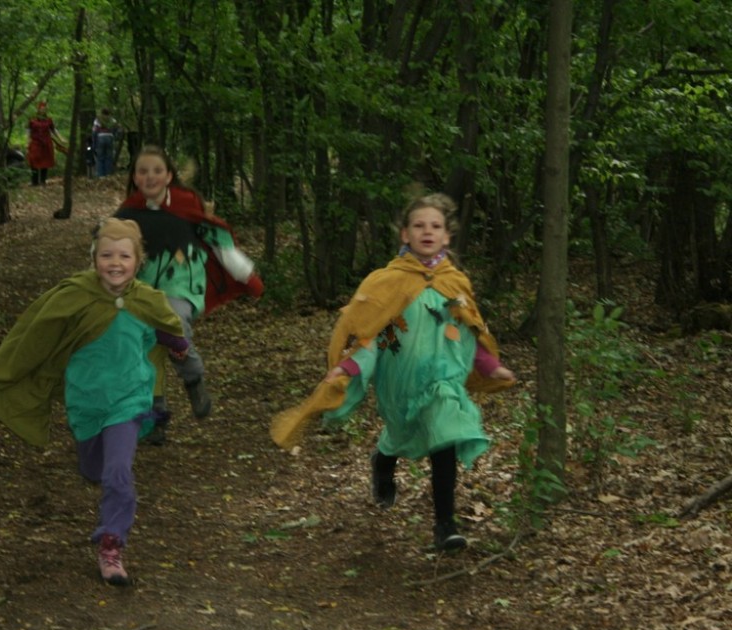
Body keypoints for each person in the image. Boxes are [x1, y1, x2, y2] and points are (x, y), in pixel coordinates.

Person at [270, 192, 516, 552]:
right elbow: (370, 336)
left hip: (443, 382)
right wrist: (346, 367)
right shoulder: (386, 283)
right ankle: (383, 460)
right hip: (399, 383)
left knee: (445, 437)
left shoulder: (455, 284)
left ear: (447, 236)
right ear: (405, 234)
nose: (427, 231)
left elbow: (468, 331)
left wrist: (490, 366)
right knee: (400, 434)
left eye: (435, 226)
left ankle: (445, 525)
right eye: (419, 225)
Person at [0, 218, 188, 586]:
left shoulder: (146, 300)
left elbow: (164, 325)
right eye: (106, 255)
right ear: (94, 259)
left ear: (138, 261)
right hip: (86, 401)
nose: (115, 263)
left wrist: (178, 345)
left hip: (129, 398)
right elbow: (39, 332)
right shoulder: (74, 295)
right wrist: (16, 370)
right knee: (94, 468)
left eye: (124, 256)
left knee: (118, 473)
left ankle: (111, 544)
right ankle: (106, 465)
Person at [115, 145, 264, 445]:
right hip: (143, 290)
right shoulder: (128, 213)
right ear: (135, 177)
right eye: (143, 171)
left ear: (169, 175)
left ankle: (193, 377)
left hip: (182, 284)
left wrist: (245, 274)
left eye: (157, 170)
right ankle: (155, 418)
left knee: (171, 322)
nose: (150, 176)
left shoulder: (186, 205)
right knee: (145, 349)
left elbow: (217, 241)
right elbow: (111, 247)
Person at [27, 102, 67, 186]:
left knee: (45, 162)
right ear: (38, 110)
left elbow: (54, 130)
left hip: (46, 143)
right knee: (33, 160)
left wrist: (61, 138)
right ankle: (34, 181)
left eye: (44, 109)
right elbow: (29, 131)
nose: (43, 110)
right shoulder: (33, 120)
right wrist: (27, 141)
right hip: (35, 143)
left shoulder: (49, 120)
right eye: (41, 109)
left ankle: (43, 181)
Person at [92, 109, 120, 177]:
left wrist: (94, 143)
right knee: (109, 157)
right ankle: (108, 174)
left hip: (100, 137)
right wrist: (115, 137)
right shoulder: (113, 120)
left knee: (100, 157)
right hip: (110, 137)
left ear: (102, 113)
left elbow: (94, 131)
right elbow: (117, 130)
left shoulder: (97, 120)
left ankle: (101, 175)